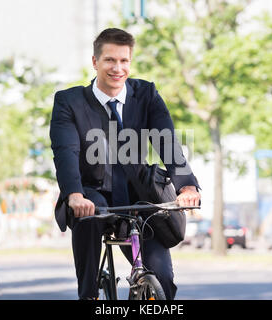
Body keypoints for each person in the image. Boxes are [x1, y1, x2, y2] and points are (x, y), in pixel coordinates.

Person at [50, 28, 201, 300]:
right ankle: (88, 296)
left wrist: (187, 186)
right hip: (90, 193)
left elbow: (166, 142)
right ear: (95, 62)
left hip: (138, 196)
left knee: (163, 280)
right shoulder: (69, 102)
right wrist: (74, 195)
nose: (117, 68)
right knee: (89, 218)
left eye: (124, 61)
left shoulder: (146, 94)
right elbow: (65, 152)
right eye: (110, 60)